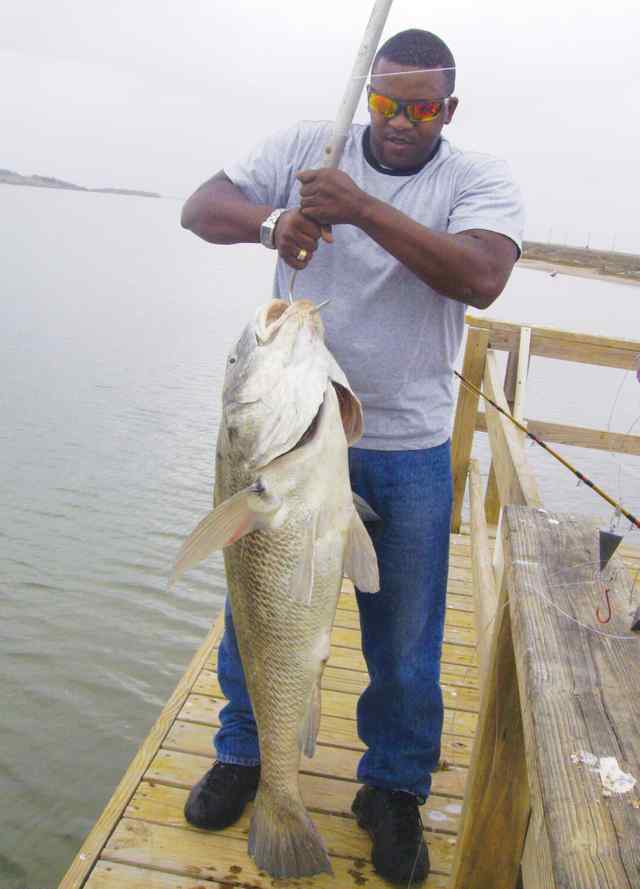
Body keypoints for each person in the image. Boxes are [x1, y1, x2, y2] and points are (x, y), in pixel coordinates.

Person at [180, 28, 524, 885]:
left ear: (448, 109)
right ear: (365, 95)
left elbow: (481, 277)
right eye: (384, 101)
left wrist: (358, 206)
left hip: (403, 444)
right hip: (283, 444)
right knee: (258, 607)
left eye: (419, 107)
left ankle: (394, 788)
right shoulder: (308, 145)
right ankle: (246, 753)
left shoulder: (475, 180)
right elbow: (199, 207)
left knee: (406, 638)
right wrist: (274, 222)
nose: (399, 120)